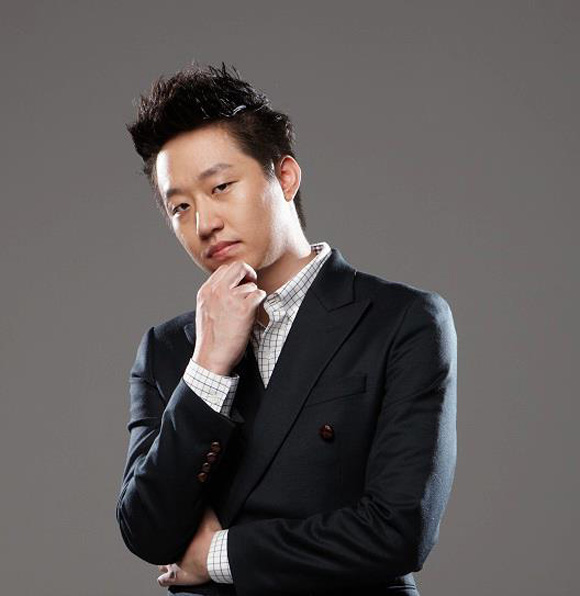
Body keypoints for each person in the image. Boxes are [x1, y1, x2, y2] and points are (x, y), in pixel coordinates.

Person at [115, 62, 458, 596]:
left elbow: (398, 531)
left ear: (286, 177)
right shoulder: (168, 348)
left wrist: (220, 555)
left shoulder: (403, 320)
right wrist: (207, 368)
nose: (204, 224)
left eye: (221, 186)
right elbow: (146, 530)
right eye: (180, 207)